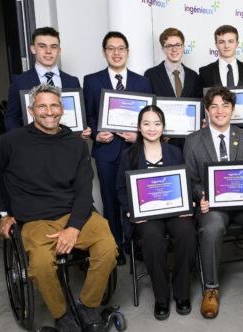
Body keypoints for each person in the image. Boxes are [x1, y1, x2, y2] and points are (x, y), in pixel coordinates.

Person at [0, 84, 117, 332]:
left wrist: (73, 227)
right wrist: (1, 215)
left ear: (62, 109)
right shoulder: (11, 142)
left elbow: (84, 190)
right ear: (31, 110)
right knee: (40, 265)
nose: (48, 111)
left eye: (54, 105)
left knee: (108, 248)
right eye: (41, 106)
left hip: (75, 213)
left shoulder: (75, 143)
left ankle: (87, 305)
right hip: (35, 220)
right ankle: (62, 314)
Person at [183, 87, 243, 318]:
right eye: (214, 106)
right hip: (213, 207)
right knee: (212, 226)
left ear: (233, 110)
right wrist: (200, 197)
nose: (220, 110)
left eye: (225, 105)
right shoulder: (193, 141)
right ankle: (211, 288)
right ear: (206, 110)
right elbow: (191, 179)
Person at [116, 106, 196, 320]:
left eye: (157, 123)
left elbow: (183, 182)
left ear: (163, 127)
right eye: (147, 123)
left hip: (173, 209)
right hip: (146, 214)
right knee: (152, 239)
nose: (152, 128)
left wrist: (186, 204)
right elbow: (121, 189)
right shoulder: (129, 155)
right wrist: (130, 211)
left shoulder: (174, 152)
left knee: (187, 233)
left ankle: (182, 293)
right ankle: (161, 298)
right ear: (139, 127)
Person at [84, 31, 153, 265]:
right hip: (106, 151)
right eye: (111, 48)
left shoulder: (142, 81)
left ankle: (137, 243)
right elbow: (89, 115)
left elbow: (149, 117)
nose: (116, 53)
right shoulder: (92, 81)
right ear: (104, 52)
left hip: (135, 150)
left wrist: (139, 134)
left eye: (120, 48)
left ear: (127, 52)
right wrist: (95, 133)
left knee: (138, 198)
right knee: (110, 199)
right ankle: (114, 244)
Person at [4, 27, 89, 139]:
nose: (48, 51)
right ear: (33, 49)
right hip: (35, 146)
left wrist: (82, 130)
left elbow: (79, 116)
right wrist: (20, 141)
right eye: (42, 46)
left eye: (53, 47)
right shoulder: (20, 82)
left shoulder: (72, 81)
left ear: (59, 51)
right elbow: (11, 117)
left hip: (67, 145)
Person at [144, 28, 201, 149]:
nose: (174, 49)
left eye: (177, 45)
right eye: (169, 46)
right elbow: (148, 108)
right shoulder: (151, 75)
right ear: (163, 49)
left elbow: (199, 108)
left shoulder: (194, 76)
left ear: (183, 47)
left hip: (190, 142)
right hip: (163, 142)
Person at [198, 25, 243, 131]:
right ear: (216, 44)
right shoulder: (205, 72)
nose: (226, 46)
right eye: (222, 42)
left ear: (237, 44)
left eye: (230, 41)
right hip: (215, 131)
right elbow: (202, 102)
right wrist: (203, 119)